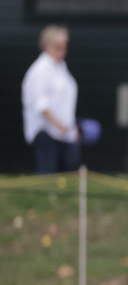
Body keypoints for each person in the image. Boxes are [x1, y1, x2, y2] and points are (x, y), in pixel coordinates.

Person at [21, 25, 80, 174]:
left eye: (64, 45)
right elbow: (41, 105)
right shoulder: (40, 70)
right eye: (58, 45)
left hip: (64, 133)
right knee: (48, 173)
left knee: (69, 171)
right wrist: (59, 125)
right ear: (47, 45)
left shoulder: (61, 67)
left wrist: (70, 128)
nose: (62, 49)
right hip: (46, 132)